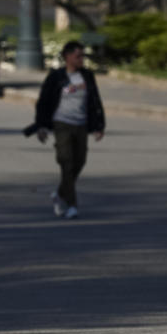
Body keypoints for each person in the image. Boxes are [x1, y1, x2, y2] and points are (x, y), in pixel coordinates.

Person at [31, 41, 106, 219]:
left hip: (81, 124)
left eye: (82, 56)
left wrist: (99, 126)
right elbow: (43, 102)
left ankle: (59, 194)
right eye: (78, 56)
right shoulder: (56, 77)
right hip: (61, 123)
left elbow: (95, 101)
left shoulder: (87, 76)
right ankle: (72, 205)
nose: (81, 59)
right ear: (67, 57)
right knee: (66, 161)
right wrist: (41, 126)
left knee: (79, 162)